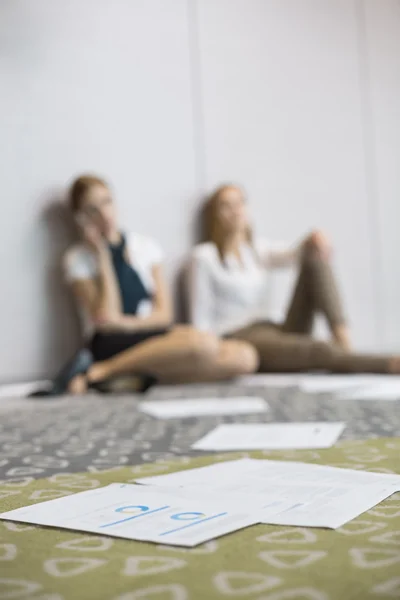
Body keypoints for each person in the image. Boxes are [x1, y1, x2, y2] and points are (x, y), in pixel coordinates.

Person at [61, 175, 258, 394]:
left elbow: (164, 314)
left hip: (149, 333)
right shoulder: (78, 259)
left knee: (245, 357)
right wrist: (103, 258)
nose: (104, 214)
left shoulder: (144, 247)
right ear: (81, 218)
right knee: (203, 345)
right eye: (92, 210)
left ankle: (132, 376)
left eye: (107, 202)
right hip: (110, 343)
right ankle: (100, 371)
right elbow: (106, 319)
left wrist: (127, 323)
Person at [188, 184, 400, 374]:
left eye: (240, 203)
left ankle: (344, 339)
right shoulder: (204, 257)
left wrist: (314, 238)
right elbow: (200, 321)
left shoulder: (255, 251)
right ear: (215, 215)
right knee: (318, 348)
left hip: (274, 328)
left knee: (314, 259)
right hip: (240, 336)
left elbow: (294, 254)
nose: (235, 211)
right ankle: (388, 364)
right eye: (226, 205)